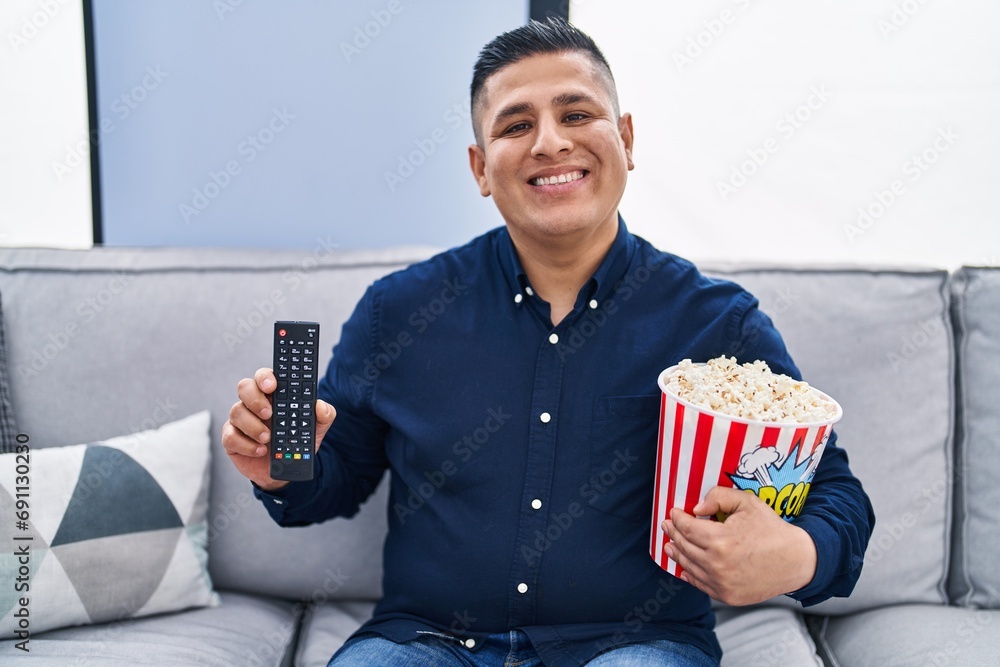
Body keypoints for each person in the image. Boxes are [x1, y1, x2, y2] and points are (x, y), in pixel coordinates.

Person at [222, 18, 874, 667]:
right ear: (480, 168)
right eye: (516, 125)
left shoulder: (718, 325)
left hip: (635, 643)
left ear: (625, 137)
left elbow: (833, 491)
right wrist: (284, 464)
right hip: (426, 642)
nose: (550, 142)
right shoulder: (400, 310)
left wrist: (795, 553)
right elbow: (335, 482)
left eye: (576, 112)